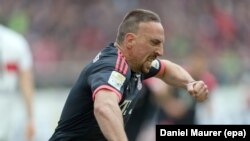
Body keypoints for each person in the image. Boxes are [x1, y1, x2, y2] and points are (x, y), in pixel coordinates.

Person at [49, 9, 208, 141]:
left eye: (161, 43)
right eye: (154, 42)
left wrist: (190, 83)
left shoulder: (138, 65)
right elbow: (104, 107)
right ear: (130, 41)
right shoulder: (113, 66)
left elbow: (166, 69)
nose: (160, 51)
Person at [0, 24, 35, 141]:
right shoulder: (16, 41)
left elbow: (26, 82)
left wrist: (30, 119)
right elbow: (26, 83)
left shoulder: (16, 42)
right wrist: (30, 118)